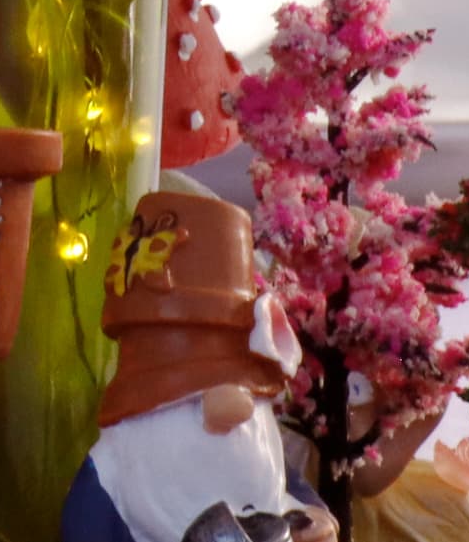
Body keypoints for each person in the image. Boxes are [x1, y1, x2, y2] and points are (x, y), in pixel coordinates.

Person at [60, 193, 331, 542]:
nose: (235, 408)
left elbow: (283, 481)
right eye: (189, 396)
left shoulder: (260, 457)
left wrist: (315, 513)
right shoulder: (116, 473)